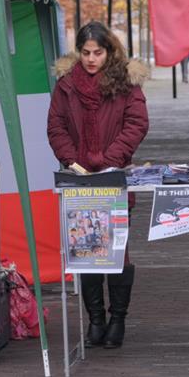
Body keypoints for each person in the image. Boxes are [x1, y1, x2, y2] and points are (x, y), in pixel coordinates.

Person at [47, 20, 149, 349]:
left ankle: (117, 318)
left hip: (114, 176)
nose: (91, 59)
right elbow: (56, 126)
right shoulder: (66, 85)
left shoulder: (126, 83)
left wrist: (111, 158)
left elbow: (136, 123)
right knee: (87, 251)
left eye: (98, 53)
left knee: (118, 251)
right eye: (86, 53)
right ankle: (95, 321)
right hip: (80, 179)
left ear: (109, 51)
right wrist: (70, 159)